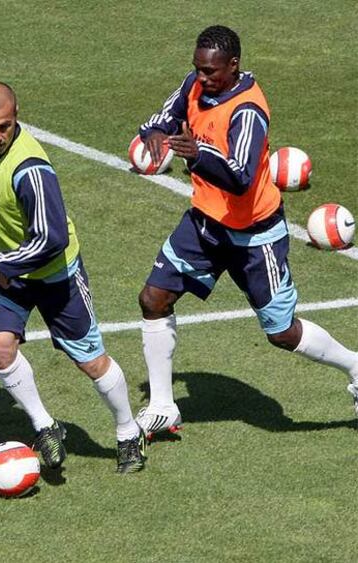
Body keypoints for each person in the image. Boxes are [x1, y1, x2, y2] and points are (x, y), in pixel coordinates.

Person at [134, 25, 358, 439]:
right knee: (154, 298)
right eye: (197, 69)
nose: (201, 78)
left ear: (233, 66)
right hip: (205, 225)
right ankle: (163, 406)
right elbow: (166, 114)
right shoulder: (196, 83)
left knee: (282, 332)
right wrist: (155, 133)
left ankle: (355, 367)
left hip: (255, 237)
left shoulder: (248, 110)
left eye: (211, 72)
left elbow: (238, 176)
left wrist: (197, 155)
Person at [0, 81, 146, 474]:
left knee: (91, 361)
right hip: (1, 264)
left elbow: (52, 239)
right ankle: (46, 426)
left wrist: (8, 264)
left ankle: (128, 432)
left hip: (53, 273)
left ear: (17, 118)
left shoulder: (30, 171)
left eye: (5, 127)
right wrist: (3, 264)